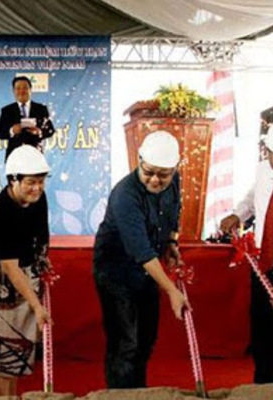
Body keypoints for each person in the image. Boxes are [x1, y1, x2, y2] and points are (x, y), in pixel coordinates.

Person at [93, 130, 191, 389]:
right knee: (127, 342)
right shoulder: (125, 194)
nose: (156, 180)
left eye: (164, 174)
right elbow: (141, 251)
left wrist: (171, 242)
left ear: (175, 168)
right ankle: (121, 395)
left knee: (146, 339)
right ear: (138, 160)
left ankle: (137, 392)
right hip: (116, 270)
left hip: (148, 269)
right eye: (149, 172)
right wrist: (170, 290)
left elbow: (175, 209)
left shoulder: (175, 180)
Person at [0, 145, 53, 396]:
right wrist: (37, 306)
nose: (37, 188)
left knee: (18, 351)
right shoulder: (0, 212)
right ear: (13, 180)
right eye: (30, 182)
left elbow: (41, 234)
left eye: (41, 181)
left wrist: (42, 260)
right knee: (2, 352)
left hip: (22, 271)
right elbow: (9, 267)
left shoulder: (39, 198)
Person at [220, 129, 273, 384]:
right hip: (264, 262)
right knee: (262, 329)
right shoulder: (263, 169)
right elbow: (253, 199)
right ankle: (262, 385)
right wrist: (237, 215)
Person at [0, 75, 55, 160]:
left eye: (25, 88)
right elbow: (0, 133)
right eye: (18, 88)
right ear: (14, 91)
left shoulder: (41, 109)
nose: (22, 91)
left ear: (30, 90)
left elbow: (50, 130)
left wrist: (39, 132)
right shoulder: (7, 110)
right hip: (14, 156)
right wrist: (12, 130)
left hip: (35, 154)